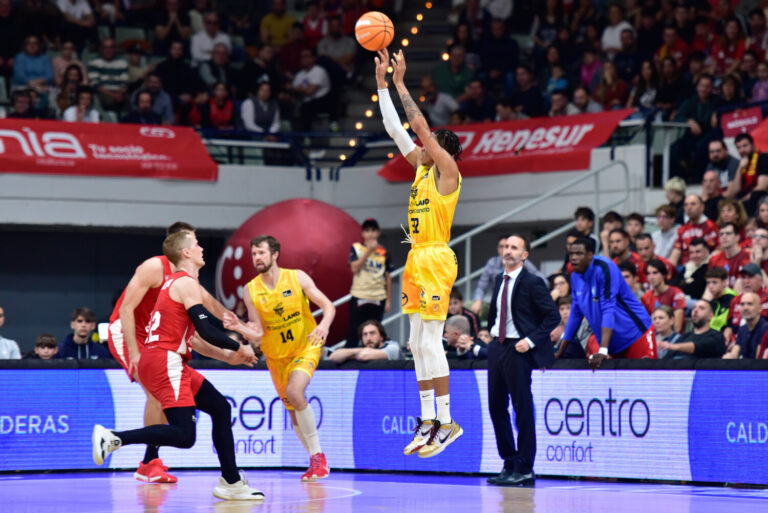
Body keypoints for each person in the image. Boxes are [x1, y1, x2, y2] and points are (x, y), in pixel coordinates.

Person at [92, 231, 264, 501]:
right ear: (186, 253)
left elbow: (193, 337)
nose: (201, 249)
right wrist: (238, 346)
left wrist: (228, 356)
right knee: (185, 436)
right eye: (196, 245)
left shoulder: (176, 283)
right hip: (164, 360)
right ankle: (114, 438)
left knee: (220, 408)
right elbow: (207, 329)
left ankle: (231, 481)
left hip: (167, 358)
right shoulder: (185, 283)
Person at [376, 48, 464, 458]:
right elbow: (396, 129)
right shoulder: (421, 169)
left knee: (431, 343)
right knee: (415, 343)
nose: (418, 147)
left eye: (427, 144)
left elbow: (418, 127)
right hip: (415, 257)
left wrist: (400, 83)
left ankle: (447, 422)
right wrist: (380, 84)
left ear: (441, 148)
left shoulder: (448, 172)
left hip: (435, 257)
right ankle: (429, 421)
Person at [107, 221, 232, 484]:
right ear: (182, 248)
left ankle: (148, 459)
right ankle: (149, 462)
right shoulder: (155, 266)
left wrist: (244, 332)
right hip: (128, 332)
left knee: (198, 404)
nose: (198, 247)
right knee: (157, 392)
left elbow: (209, 310)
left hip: (156, 339)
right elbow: (126, 310)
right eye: (194, 242)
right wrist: (134, 353)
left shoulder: (185, 280)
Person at [243, 235, 335, 481]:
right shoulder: (250, 290)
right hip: (275, 356)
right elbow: (258, 331)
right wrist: (242, 330)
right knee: (293, 411)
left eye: (261, 252)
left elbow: (328, 306)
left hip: (306, 346)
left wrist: (324, 326)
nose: (257, 258)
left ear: (275, 254)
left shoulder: (297, 277)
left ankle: (318, 457)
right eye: (253, 254)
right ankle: (316, 462)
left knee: (296, 392)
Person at [486, 234, 559, 487]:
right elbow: (496, 315)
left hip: (519, 349)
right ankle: (509, 462)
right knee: (496, 407)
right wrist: (492, 337)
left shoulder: (533, 282)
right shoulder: (498, 279)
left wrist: (530, 340)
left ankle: (526, 467)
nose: (508, 251)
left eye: (514, 247)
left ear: (524, 255)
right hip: (498, 346)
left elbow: (552, 317)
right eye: (505, 246)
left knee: (522, 408)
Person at [559, 237, 658, 368]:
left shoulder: (605, 268)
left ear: (590, 255)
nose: (574, 258)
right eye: (571, 254)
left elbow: (607, 308)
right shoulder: (575, 276)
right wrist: (560, 351)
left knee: (647, 385)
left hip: (636, 335)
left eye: (579, 254)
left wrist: (603, 350)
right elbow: (576, 313)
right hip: (612, 345)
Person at [347, 218, 393, 347]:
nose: (370, 234)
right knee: (354, 331)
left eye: (373, 230)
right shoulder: (356, 247)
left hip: (378, 296)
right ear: (363, 233)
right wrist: (368, 251)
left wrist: (388, 300)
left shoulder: (384, 252)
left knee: (374, 332)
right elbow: (354, 268)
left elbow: (388, 277)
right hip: (359, 295)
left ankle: (372, 361)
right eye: (367, 230)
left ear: (378, 232)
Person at [660, 300, 725, 359]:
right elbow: (667, 359)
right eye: (694, 307)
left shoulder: (717, 336)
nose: (695, 310)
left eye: (701, 308)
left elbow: (700, 347)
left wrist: (673, 346)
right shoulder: (684, 336)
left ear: (710, 316)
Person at [723, 263, 768, 343]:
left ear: (761, 280)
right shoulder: (736, 300)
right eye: (743, 278)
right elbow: (729, 324)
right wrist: (728, 330)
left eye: (750, 277)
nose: (746, 281)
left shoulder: (767, 297)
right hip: (735, 341)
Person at [669, 195, 719, 266]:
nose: (689, 207)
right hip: (685, 268)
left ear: (702, 207)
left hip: (706, 266)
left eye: (693, 204)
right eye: (686, 205)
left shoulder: (711, 227)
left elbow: (718, 251)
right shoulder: (681, 230)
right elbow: (676, 253)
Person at [640, 259, 686, 333]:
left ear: (664, 275)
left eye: (655, 273)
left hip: (673, 338)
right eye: (648, 274)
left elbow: (677, 327)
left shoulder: (676, 293)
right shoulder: (645, 297)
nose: (651, 277)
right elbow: (644, 324)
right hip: (655, 337)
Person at [328, 320, 402, 363]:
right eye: (365, 334)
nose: (368, 338)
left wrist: (350, 355)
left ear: (381, 337)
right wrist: (358, 350)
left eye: (372, 333)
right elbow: (333, 357)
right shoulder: (360, 349)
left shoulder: (393, 347)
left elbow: (363, 356)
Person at [87, 38, 129, 112]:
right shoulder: (94, 63)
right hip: (103, 93)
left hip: (119, 92)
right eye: (105, 47)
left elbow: (124, 83)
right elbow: (95, 85)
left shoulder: (122, 63)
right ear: (101, 49)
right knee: (108, 101)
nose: (108, 50)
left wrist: (119, 94)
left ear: (115, 49)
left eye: (111, 47)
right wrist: (113, 95)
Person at [723, 292, 768, 359]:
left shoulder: (766, 329)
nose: (745, 308)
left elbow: (759, 359)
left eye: (750, 304)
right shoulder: (742, 329)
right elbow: (735, 353)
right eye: (742, 304)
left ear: (760, 308)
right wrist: (728, 357)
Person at [469, 235, 506, 315]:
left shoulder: (520, 261)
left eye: (506, 246)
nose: (504, 249)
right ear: (497, 249)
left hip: (517, 302)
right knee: (469, 307)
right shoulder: (492, 262)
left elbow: (538, 276)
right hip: (496, 302)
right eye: (501, 246)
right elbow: (482, 285)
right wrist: (478, 301)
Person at [709, 222, 751, 288]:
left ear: (737, 237)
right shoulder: (714, 260)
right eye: (721, 234)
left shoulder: (749, 257)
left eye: (728, 233)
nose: (724, 236)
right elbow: (710, 286)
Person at [702, 266, 737, 331]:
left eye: (714, 282)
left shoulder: (733, 300)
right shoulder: (712, 302)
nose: (710, 286)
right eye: (708, 283)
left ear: (724, 282)